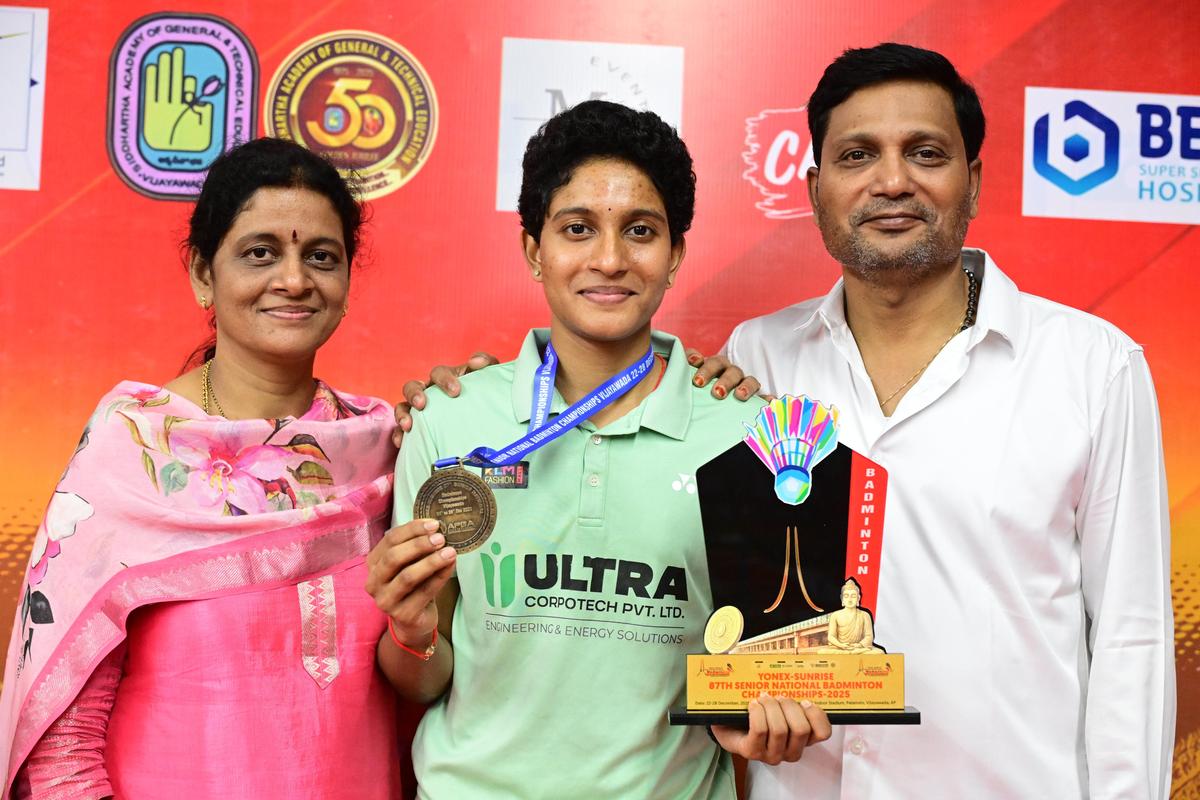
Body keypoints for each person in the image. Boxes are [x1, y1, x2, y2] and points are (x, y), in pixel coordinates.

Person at [396, 43, 1175, 799]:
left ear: (972, 180)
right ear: (814, 187)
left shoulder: (1090, 368)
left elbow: (1133, 642)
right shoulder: (754, 366)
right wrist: (478, 399)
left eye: (927, 154)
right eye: (858, 155)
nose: (892, 181)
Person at [365, 100, 831, 799]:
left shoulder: (750, 435)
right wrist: (409, 627)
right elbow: (423, 675)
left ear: (674, 254)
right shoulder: (452, 421)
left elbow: (763, 678)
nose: (609, 260)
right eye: (577, 229)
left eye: (640, 231)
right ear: (534, 249)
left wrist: (763, 716)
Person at [0, 138, 406, 799]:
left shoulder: (386, 450)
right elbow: (61, 752)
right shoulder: (132, 452)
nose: (295, 279)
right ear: (201, 273)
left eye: (321, 257)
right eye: (260, 252)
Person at [818, 580, 883, 655]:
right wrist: (841, 645)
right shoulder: (835, 615)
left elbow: (869, 636)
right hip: (840, 648)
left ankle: (851, 653)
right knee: (822, 652)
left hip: (858, 648)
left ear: (858, 598)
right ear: (842, 598)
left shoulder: (864, 615)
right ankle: (849, 653)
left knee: (879, 653)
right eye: (846, 596)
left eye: (853, 596)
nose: (850, 599)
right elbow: (831, 637)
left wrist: (859, 645)